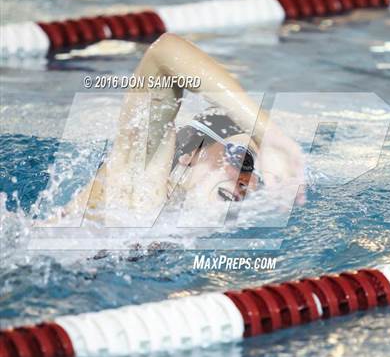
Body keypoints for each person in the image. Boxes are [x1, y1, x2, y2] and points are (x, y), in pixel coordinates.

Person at [41, 33, 304, 226]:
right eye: (242, 159)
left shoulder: (179, 224)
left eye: (256, 171)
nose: (247, 180)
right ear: (189, 155)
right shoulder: (138, 187)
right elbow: (164, 54)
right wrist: (269, 134)